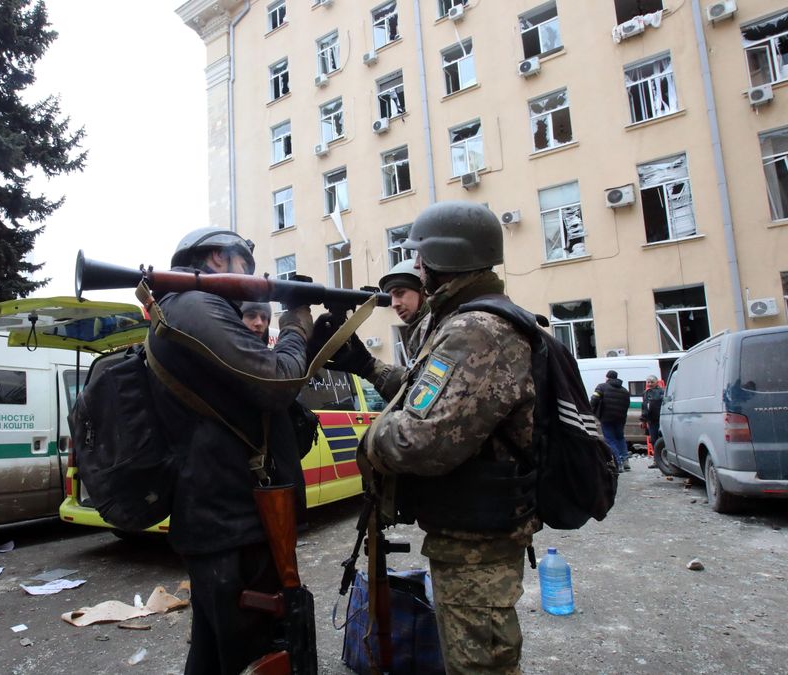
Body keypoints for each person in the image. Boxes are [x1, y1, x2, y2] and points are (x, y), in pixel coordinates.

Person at [319, 201, 539, 674]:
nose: (417, 267)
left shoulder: (475, 330)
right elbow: (433, 399)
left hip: (478, 538)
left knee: (478, 664)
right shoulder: (467, 320)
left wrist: (372, 436)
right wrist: (365, 366)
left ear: (443, 259)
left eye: (420, 258)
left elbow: (424, 439)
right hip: (470, 530)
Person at [148, 227, 313, 674]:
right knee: (251, 655)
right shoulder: (196, 306)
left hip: (223, 522)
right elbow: (278, 382)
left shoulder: (184, 308)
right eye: (246, 267)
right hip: (232, 525)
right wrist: (296, 322)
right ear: (219, 259)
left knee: (215, 656)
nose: (250, 281)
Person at [378, 258, 429, 364]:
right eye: (391, 297)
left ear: (423, 291)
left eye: (400, 293)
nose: (394, 304)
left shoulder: (441, 328)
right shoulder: (420, 332)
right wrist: (368, 366)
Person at [591, 370, 632, 472]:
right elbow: (627, 405)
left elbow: (594, 398)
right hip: (620, 418)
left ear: (607, 377)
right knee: (620, 438)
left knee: (610, 440)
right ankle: (625, 460)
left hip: (606, 417)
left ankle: (618, 463)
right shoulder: (624, 390)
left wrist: (591, 409)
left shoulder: (601, 387)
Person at [641, 375, 665, 448]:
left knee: (661, 438)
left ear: (656, 382)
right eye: (648, 382)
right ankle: (656, 455)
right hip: (651, 420)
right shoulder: (645, 393)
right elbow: (644, 407)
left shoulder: (662, 392)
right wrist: (643, 420)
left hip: (661, 418)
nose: (650, 384)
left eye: (652, 382)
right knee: (654, 439)